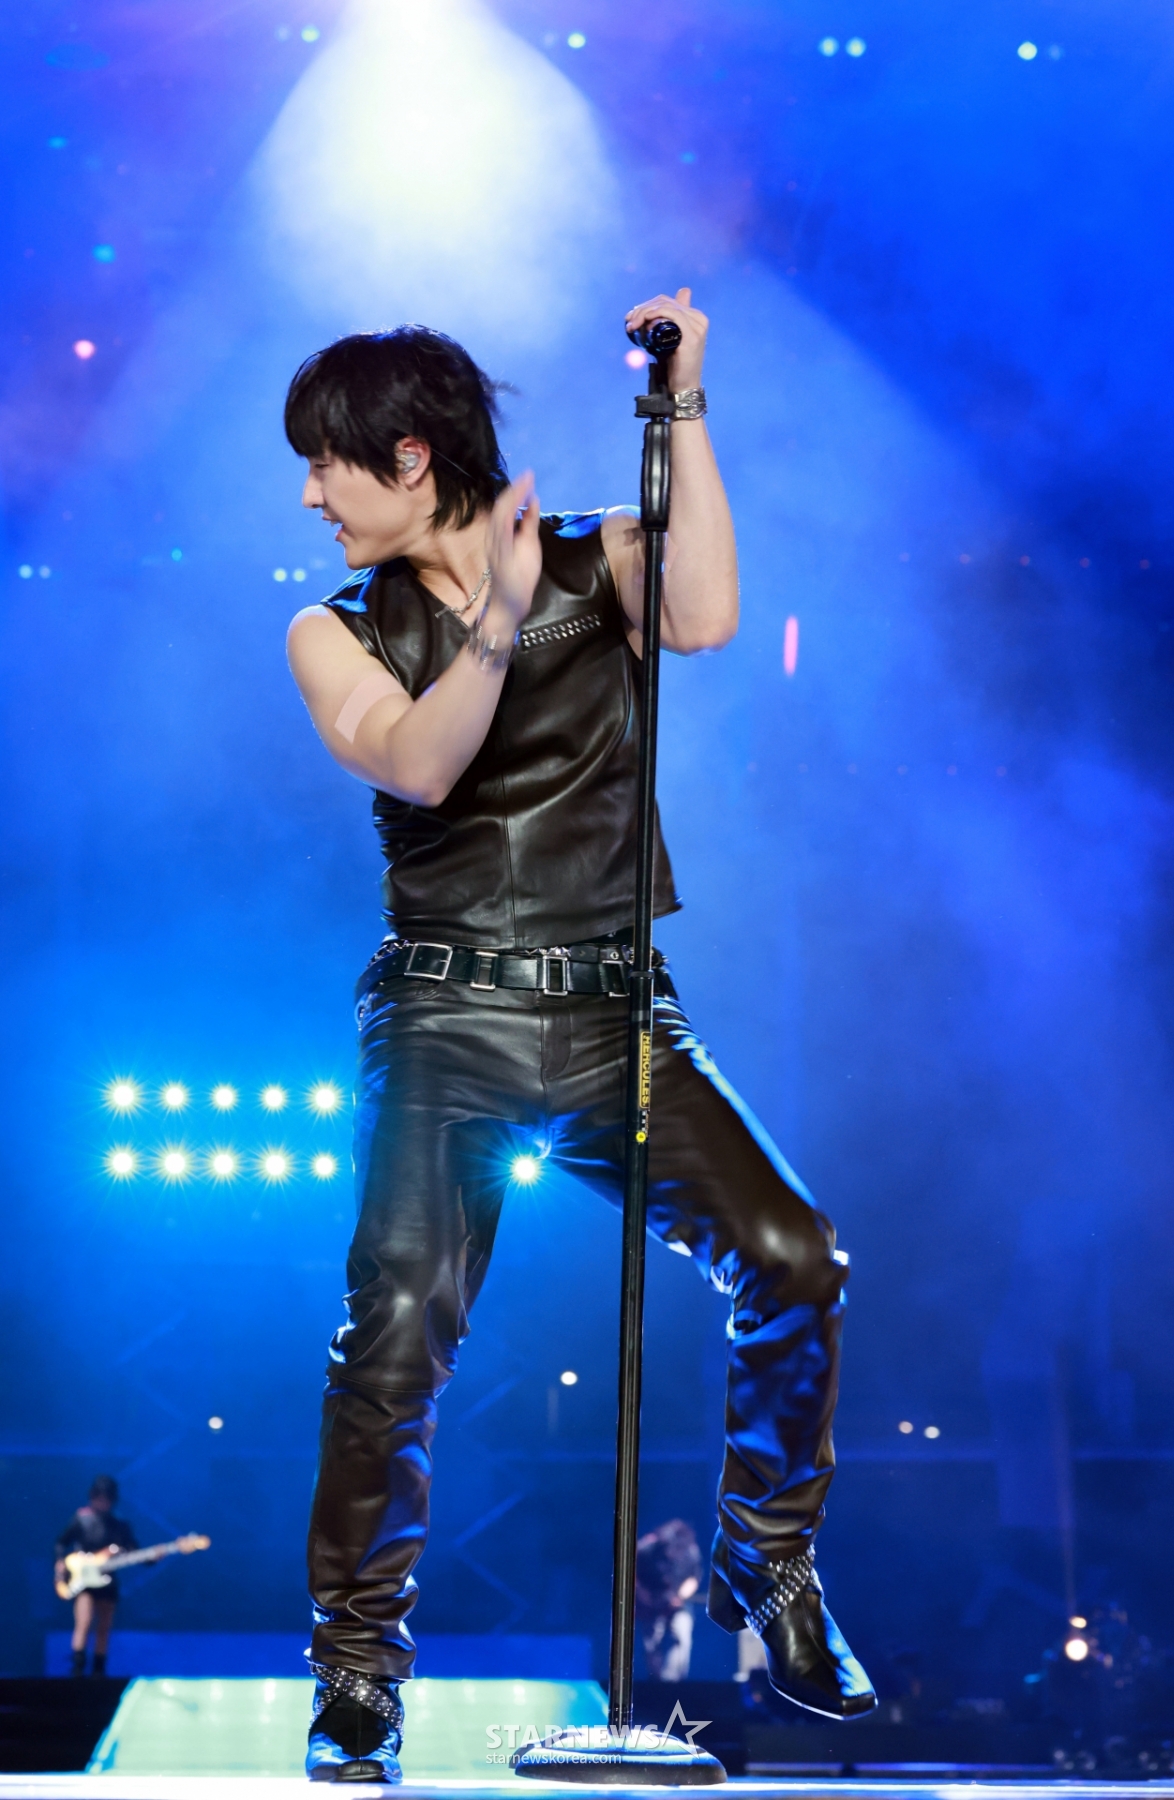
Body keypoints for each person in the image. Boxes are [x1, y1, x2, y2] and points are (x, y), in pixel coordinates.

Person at [284, 290, 876, 1783]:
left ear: (409, 458)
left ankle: (770, 1566)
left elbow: (708, 616)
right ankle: (358, 1668)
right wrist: (488, 623)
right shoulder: (334, 630)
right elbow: (421, 765)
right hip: (447, 1018)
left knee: (797, 1256)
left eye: (325, 465)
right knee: (396, 1330)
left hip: (618, 1010)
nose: (309, 496)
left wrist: (683, 401)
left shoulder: (596, 557)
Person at [54, 1475, 137, 1678]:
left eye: (106, 1498)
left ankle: (99, 1671)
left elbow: (134, 1551)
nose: (102, 1502)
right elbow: (61, 1542)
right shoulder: (81, 1518)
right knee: (83, 1622)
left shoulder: (120, 1525)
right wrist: (60, 1564)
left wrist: (153, 1557)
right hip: (85, 1580)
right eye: (99, 1498)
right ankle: (77, 1669)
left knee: (104, 1627)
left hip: (107, 1581)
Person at [636, 1519, 703, 1682]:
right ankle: (656, 1680)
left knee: (681, 1636)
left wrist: (680, 1596)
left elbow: (694, 1578)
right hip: (651, 1602)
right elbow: (632, 1574)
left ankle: (673, 1681)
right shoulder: (646, 1549)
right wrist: (643, 1594)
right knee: (652, 1643)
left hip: (678, 1603)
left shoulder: (691, 1551)